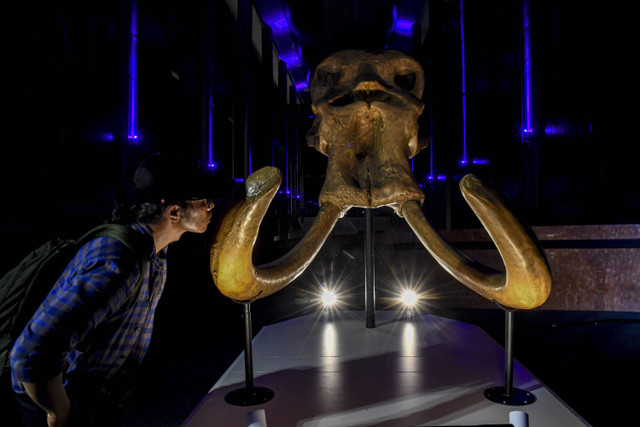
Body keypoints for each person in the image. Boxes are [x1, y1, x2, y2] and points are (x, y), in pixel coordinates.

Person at [10, 152, 228, 427]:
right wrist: (60, 412)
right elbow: (31, 353)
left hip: (93, 403)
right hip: (53, 405)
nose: (211, 208)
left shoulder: (157, 254)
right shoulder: (118, 264)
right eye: (205, 202)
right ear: (174, 211)